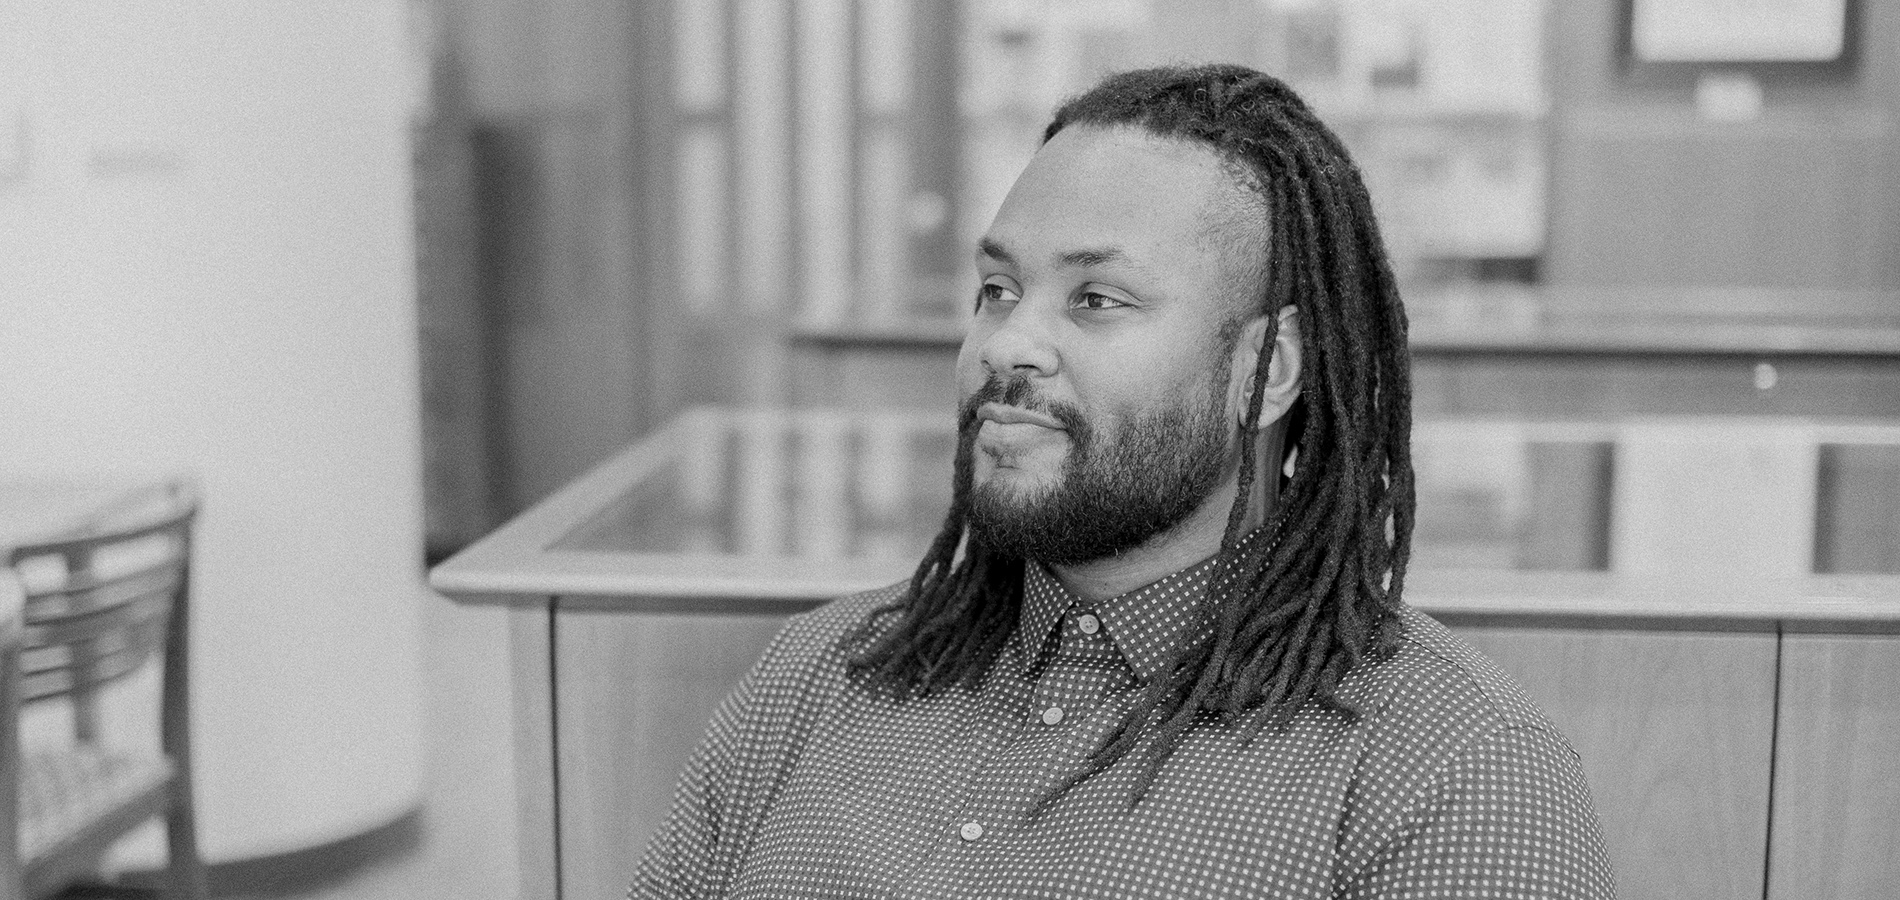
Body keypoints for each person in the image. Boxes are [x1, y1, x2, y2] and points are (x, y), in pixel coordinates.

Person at [631, 64, 1615, 899]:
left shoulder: (1455, 773)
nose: (1006, 343)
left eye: (1095, 299)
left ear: (1267, 369)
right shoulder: (813, 678)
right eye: (997, 289)